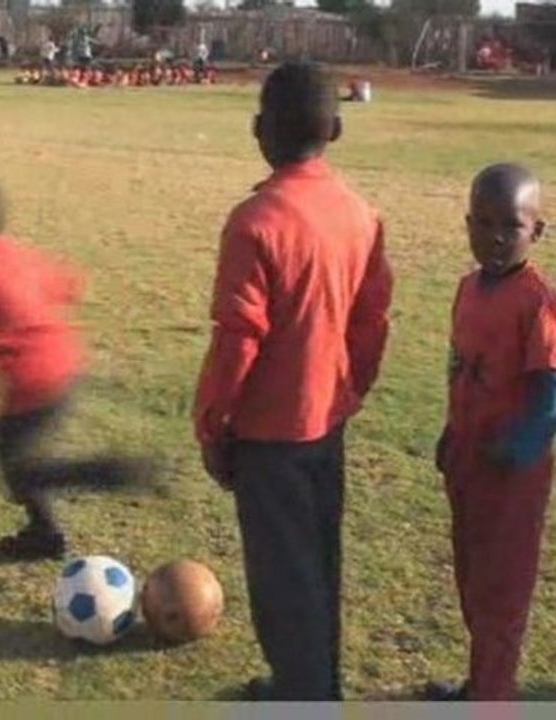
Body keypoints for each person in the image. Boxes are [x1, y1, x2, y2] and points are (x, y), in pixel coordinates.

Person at [193, 62, 393, 701]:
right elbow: (373, 321)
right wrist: (350, 389)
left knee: (282, 579)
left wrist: (211, 423)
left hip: (268, 434)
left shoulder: (255, 222)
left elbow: (238, 339)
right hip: (326, 422)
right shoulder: (362, 216)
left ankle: (302, 694)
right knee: (318, 562)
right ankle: (314, 685)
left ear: (259, 130)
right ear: (335, 128)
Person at [0, 176, 157, 561]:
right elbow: (69, 284)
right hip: (66, 364)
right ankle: (44, 534)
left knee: (19, 468)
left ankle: (102, 474)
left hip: (34, 381)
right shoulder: (15, 253)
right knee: (12, 457)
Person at [427, 163, 556, 701]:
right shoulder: (469, 288)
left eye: (510, 226)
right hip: (469, 463)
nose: (494, 237)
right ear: (466, 223)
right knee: (472, 580)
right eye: (483, 223)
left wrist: (516, 449)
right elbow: (459, 366)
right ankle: (481, 683)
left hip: (511, 477)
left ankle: (493, 699)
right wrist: (453, 433)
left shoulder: (537, 301)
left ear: (536, 231)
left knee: (502, 592)